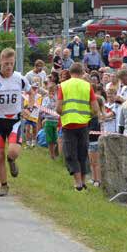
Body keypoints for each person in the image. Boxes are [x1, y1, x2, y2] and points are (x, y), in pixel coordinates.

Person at [0, 49, 29, 196]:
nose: (9, 67)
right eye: (6, 64)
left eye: (11, 64)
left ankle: (11, 160)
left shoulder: (20, 78)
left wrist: (29, 108)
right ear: (0, 62)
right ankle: (4, 185)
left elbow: (31, 92)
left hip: (14, 121)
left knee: (13, 151)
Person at [57, 63, 99, 191]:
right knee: (82, 153)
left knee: (71, 154)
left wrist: (65, 113)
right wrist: (86, 115)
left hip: (69, 124)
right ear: (82, 73)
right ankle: (84, 181)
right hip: (83, 125)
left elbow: (58, 108)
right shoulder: (88, 86)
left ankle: (78, 183)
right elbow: (96, 109)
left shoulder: (63, 86)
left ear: (70, 73)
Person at [41, 82, 60, 160]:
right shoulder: (45, 99)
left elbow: (58, 107)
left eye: (53, 91)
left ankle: (56, 152)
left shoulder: (58, 98)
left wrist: (55, 100)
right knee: (49, 139)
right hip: (48, 120)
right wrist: (49, 100)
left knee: (56, 138)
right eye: (50, 91)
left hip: (56, 120)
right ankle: (51, 154)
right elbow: (44, 108)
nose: (52, 93)